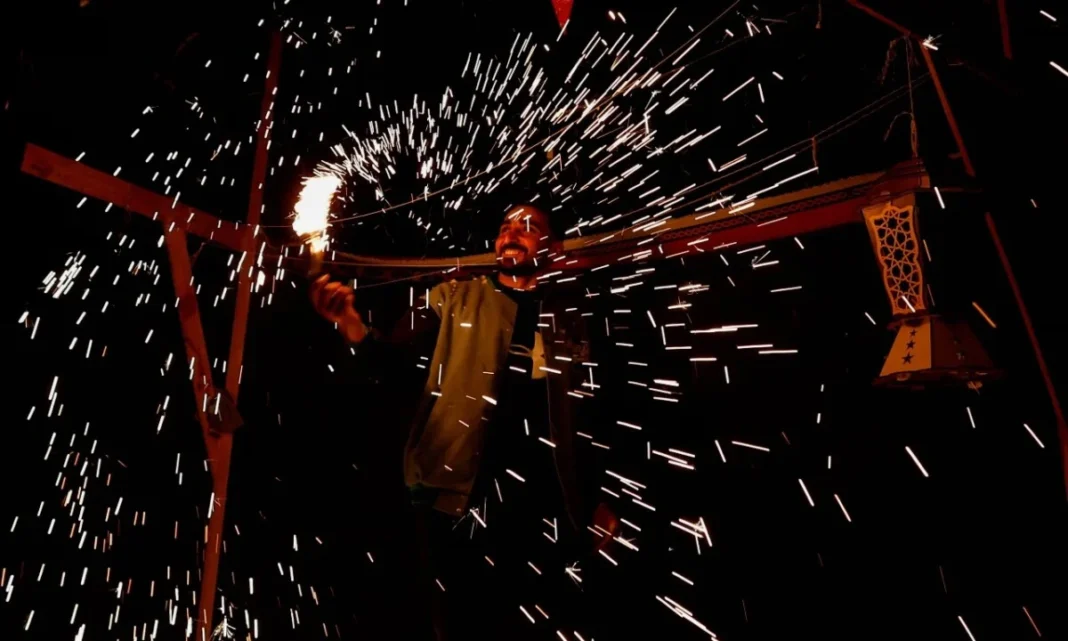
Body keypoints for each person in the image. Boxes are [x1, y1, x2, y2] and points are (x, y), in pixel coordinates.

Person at [309, 203, 617, 640]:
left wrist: (598, 498)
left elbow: (590, 414)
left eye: (528, 227)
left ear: (551, 245)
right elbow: (391, 361)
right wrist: (350, 322)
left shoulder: (567, 315)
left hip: (545, 503)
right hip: (460, 493)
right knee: (461, 621)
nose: (512, 233)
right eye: (505, 226)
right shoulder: (452, 297)